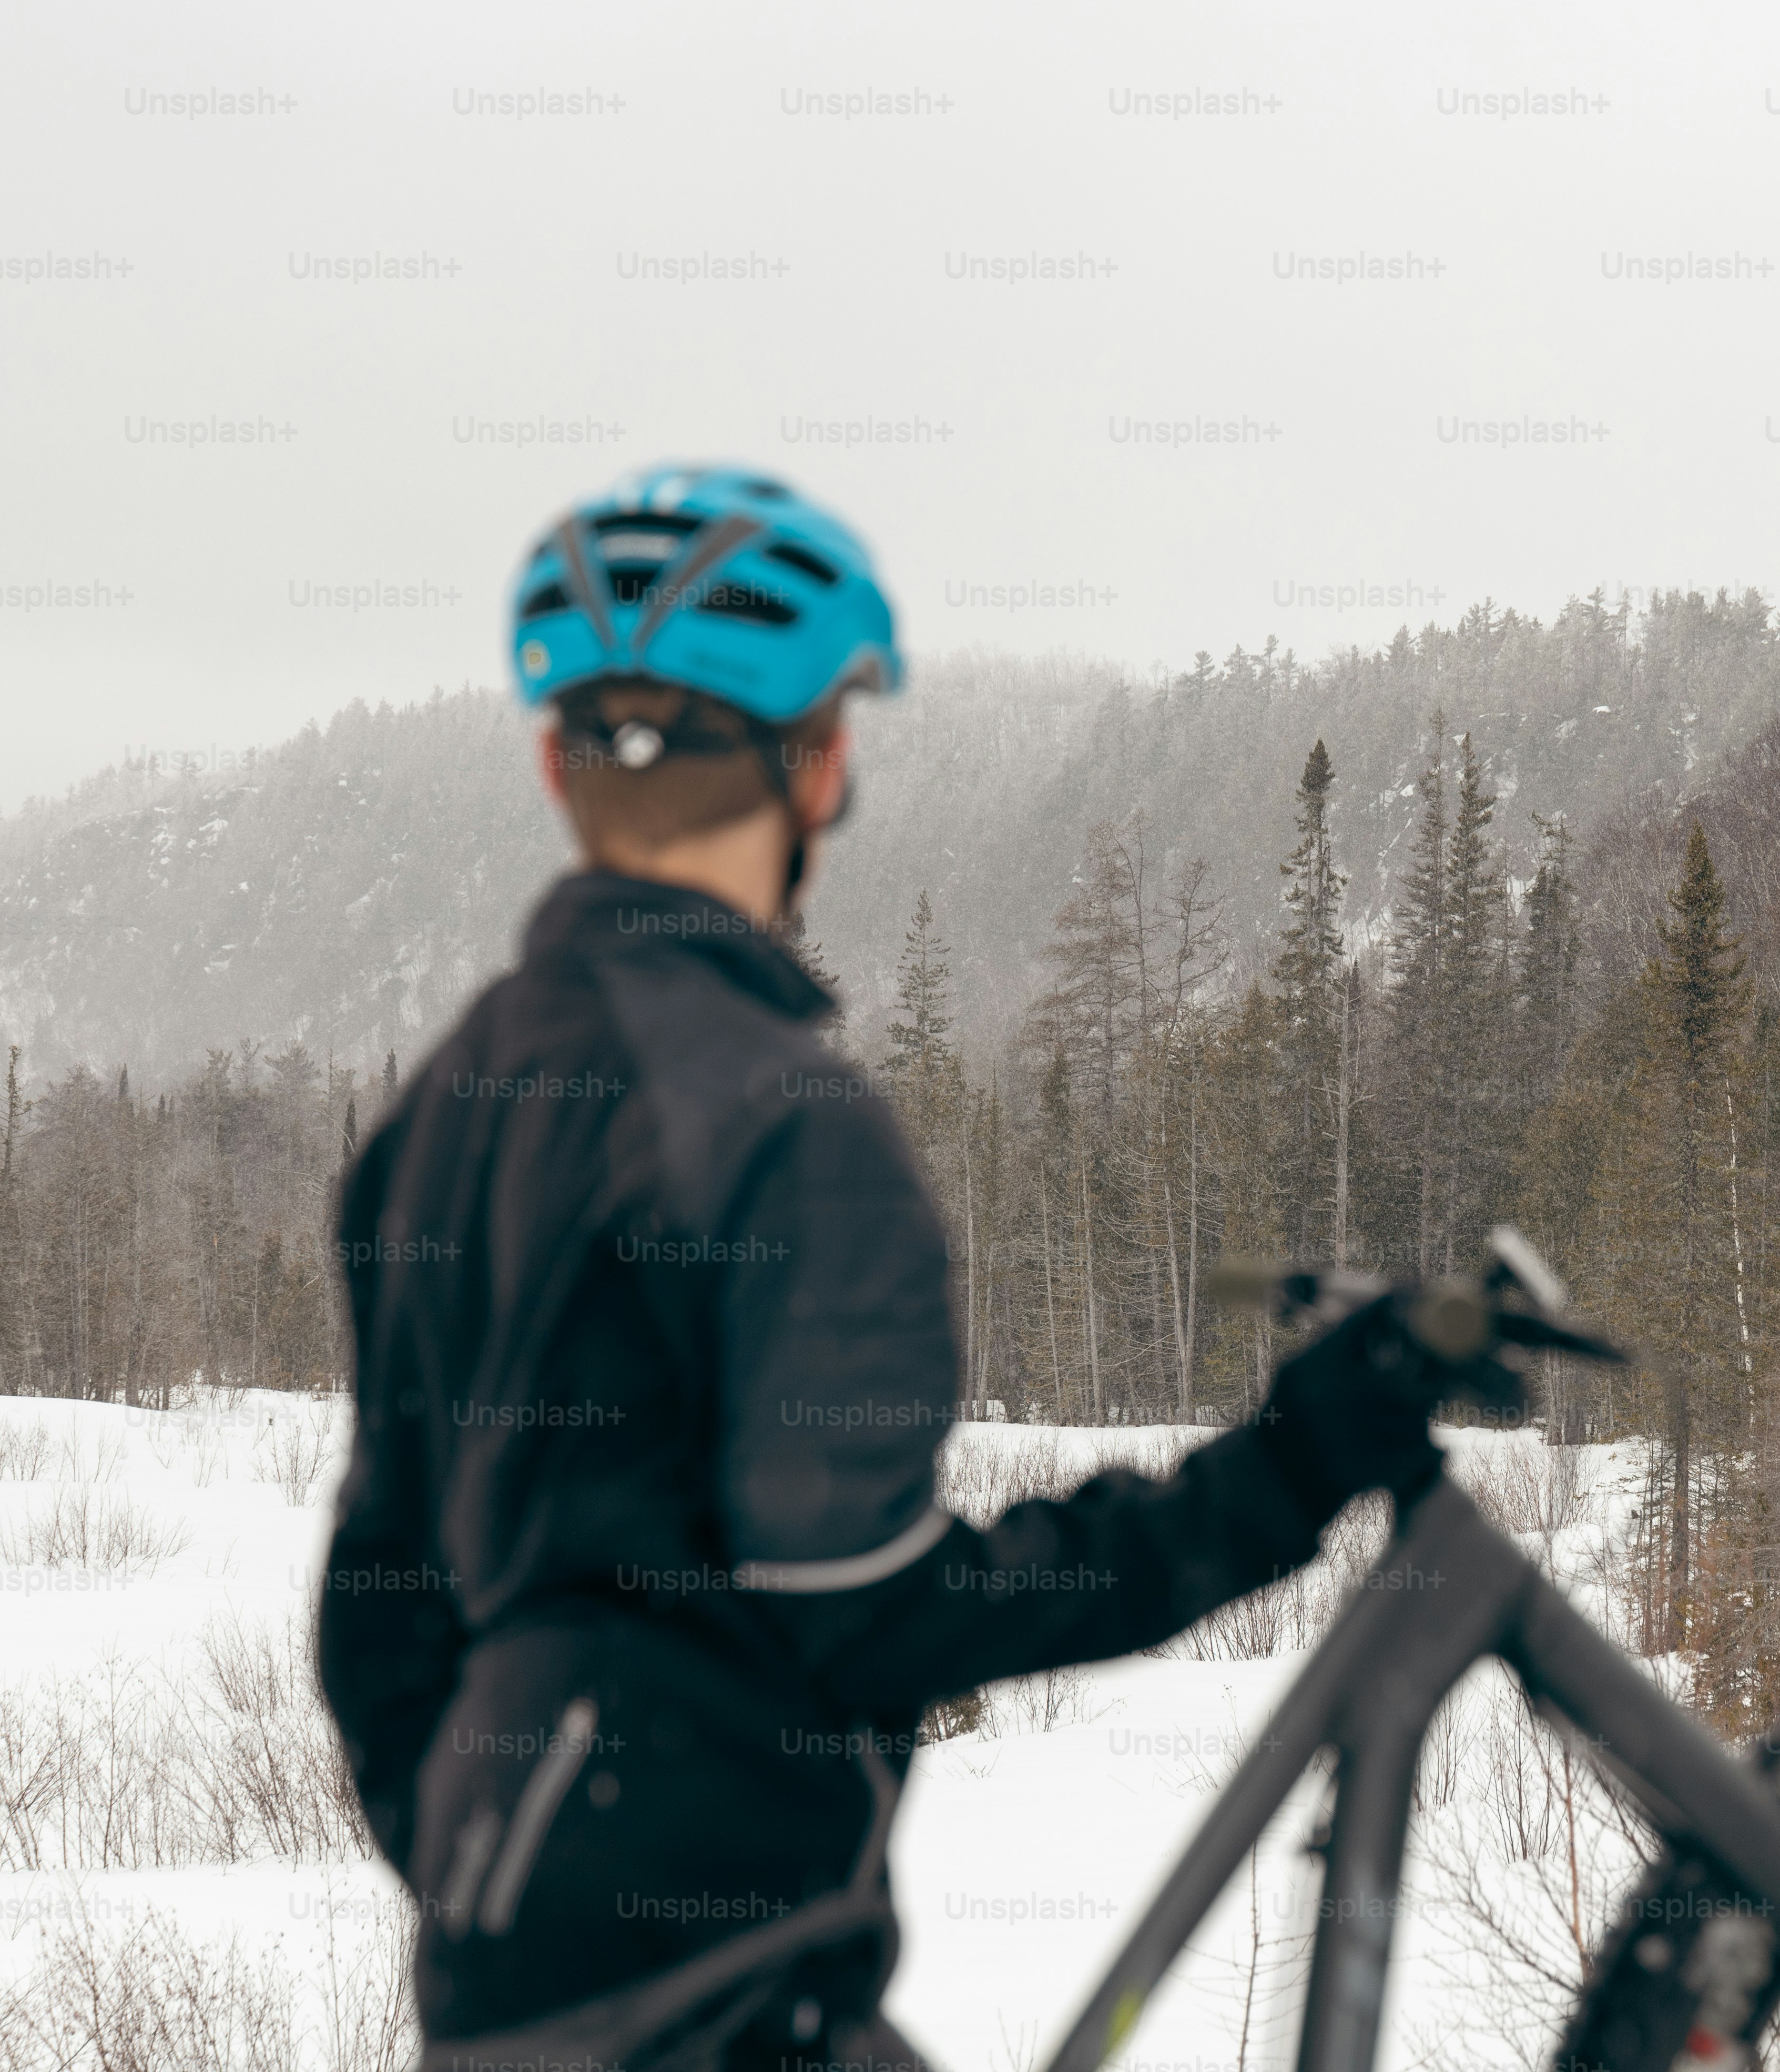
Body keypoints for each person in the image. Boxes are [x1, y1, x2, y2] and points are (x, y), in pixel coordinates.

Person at [317, 465, 1471, 2070]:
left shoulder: (440, 1110)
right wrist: (1276, 1480)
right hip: (725, 1987)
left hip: (512, 1985)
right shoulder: (788, 1123)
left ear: (552, 761)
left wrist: (496, 1865)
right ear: (825, 765)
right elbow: (877, 1611)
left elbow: (376, 1608)